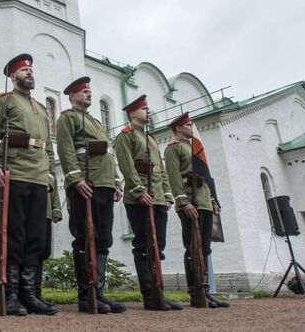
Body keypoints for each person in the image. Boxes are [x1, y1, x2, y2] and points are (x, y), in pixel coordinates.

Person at [0, 54, 58, 316]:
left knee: (36, 238)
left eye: (30, 70)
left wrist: (50, 175)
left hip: (38, 178)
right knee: (12, 235)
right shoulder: (3, 102)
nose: (29, 73)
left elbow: (48, 147)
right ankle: (10, 292)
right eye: (23, 71)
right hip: (13, 174)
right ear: (12, 77)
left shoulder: (41, 108)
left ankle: (29, 294)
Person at [55, 76, 126, 314]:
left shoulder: (96, 122)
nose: (88, 94)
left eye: (89, 92)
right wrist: (75, 178)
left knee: (103, 239)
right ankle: (86, 296)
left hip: (104, 184)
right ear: (72, 96)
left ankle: (99, 292)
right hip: (86, 184)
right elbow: (65, 150)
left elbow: (110, 153)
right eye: (83, 92)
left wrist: (117, 181)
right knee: (86, 237)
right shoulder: (67, 118)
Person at [113, 95, 182, 311]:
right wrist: (138, 189)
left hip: (158, 198)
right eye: (144, 109)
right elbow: (126, 165)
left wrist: (168, 194)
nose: (148, 112)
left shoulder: (151, 139)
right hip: (139, 198)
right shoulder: (126, 136)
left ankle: (158, 290)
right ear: (133, 114)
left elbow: (160, 169)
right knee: (143, 245)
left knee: (157, 246)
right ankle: (149, 294)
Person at [164, 112, 229, 308]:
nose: (192, 127)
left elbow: (204, 179)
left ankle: (206, 290)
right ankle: (195, 292)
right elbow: (174, 177)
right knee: (193, 246)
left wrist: (212, 200)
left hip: (204, 203)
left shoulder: (195, 150)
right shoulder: (173, 149)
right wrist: (183, 202)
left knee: (205, 247)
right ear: (178, 128)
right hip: (190, 203)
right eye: (188, 125)